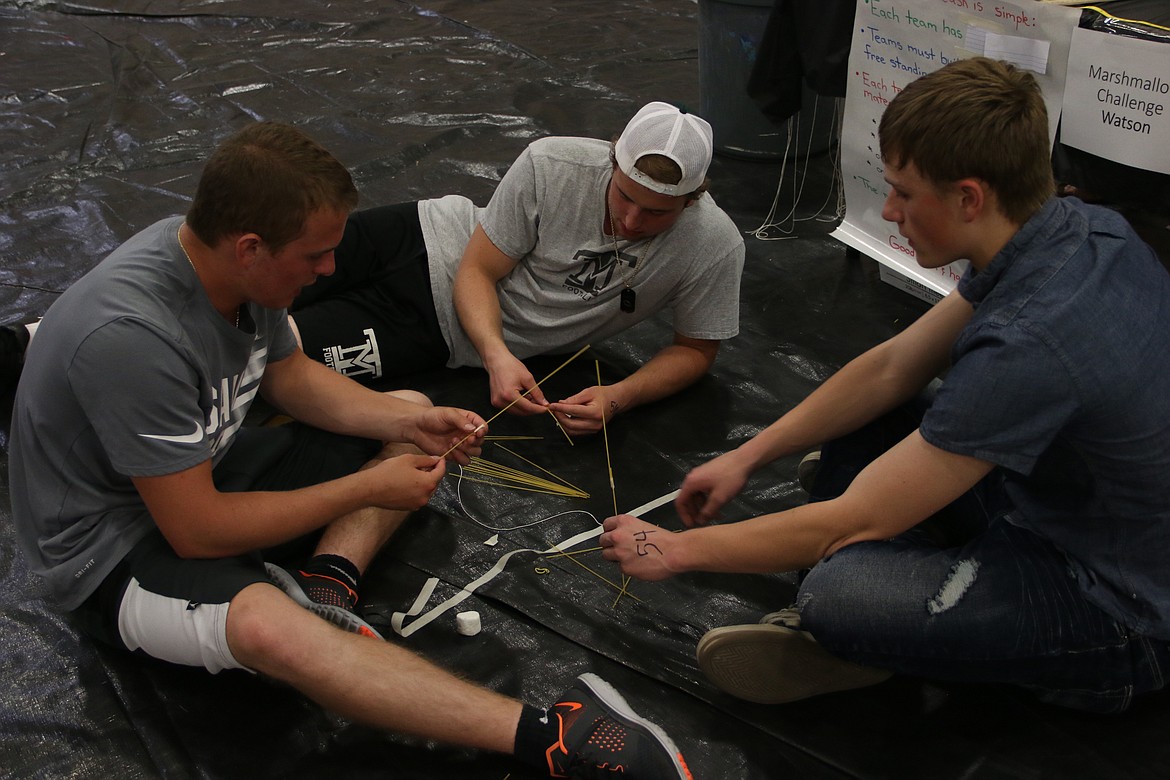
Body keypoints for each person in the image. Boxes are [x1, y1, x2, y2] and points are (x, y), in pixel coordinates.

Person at [7, 121, 692, 779]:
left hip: (200, 472)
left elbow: (287, 374)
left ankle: (328, 580)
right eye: (316, 256)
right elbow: (196, 531)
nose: (332, 268)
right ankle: (551, 737)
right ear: (250, 247)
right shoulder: (133, 339)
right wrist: (363, 491)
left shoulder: (230, 270)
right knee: (273, 634)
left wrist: (400, 426)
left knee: (411, 413)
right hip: (114, 550)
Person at [599, 57, 1170, 714]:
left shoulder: (1031, 342)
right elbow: (895, 366)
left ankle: (919, 644)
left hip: (1119, 601)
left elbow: (852, 520)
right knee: (875, 419)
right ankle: (924, 556)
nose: (890, 210)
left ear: (969, 198)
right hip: (1061, 496)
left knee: (838, 598)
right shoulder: (1077, 225)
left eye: (903, 192)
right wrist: (750, 455)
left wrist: (677, 551)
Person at [286, 100, 744, 436]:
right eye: (623, 196)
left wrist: (621, 395)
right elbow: (479, 268)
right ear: (612, 161)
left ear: (693, 198)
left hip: (433, 325)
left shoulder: (714, 244)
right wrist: (497, 355)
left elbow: (696, 349)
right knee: (257, 284)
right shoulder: (553, 163)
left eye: (658, 214)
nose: (631, 221)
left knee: (277, 353)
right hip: (418, 231)